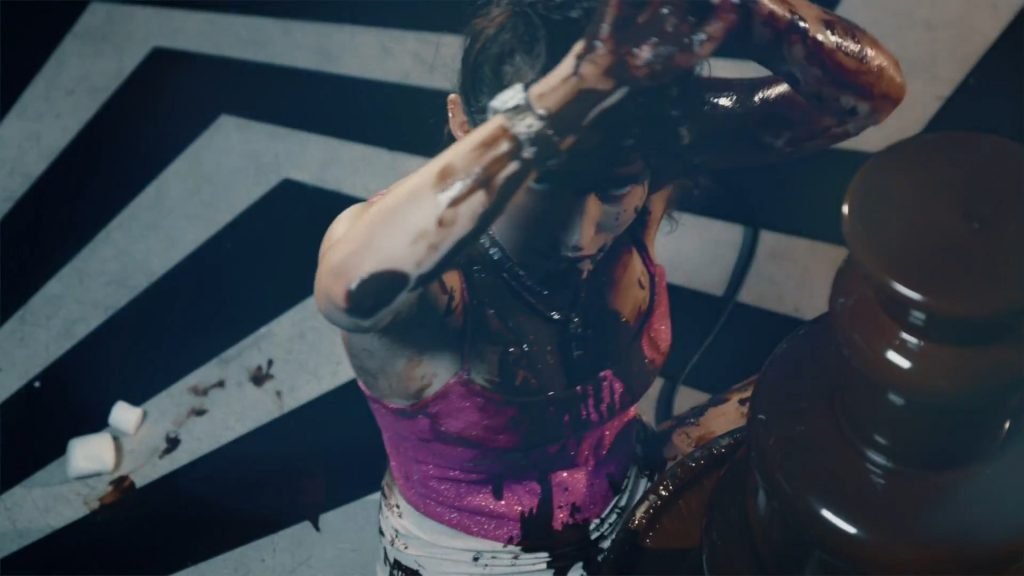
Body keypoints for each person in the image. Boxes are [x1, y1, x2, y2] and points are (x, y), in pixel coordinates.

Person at [314, 1, 905, 574]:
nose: (582, 234)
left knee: (836, 387)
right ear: (465, 125)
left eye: (616, 189)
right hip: (474, 560)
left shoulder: (643, 154)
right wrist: (574, 86)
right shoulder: (430, 279)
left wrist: (740, 14)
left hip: (633, 483)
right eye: (545, 188)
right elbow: (346, 288)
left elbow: (869, 95)